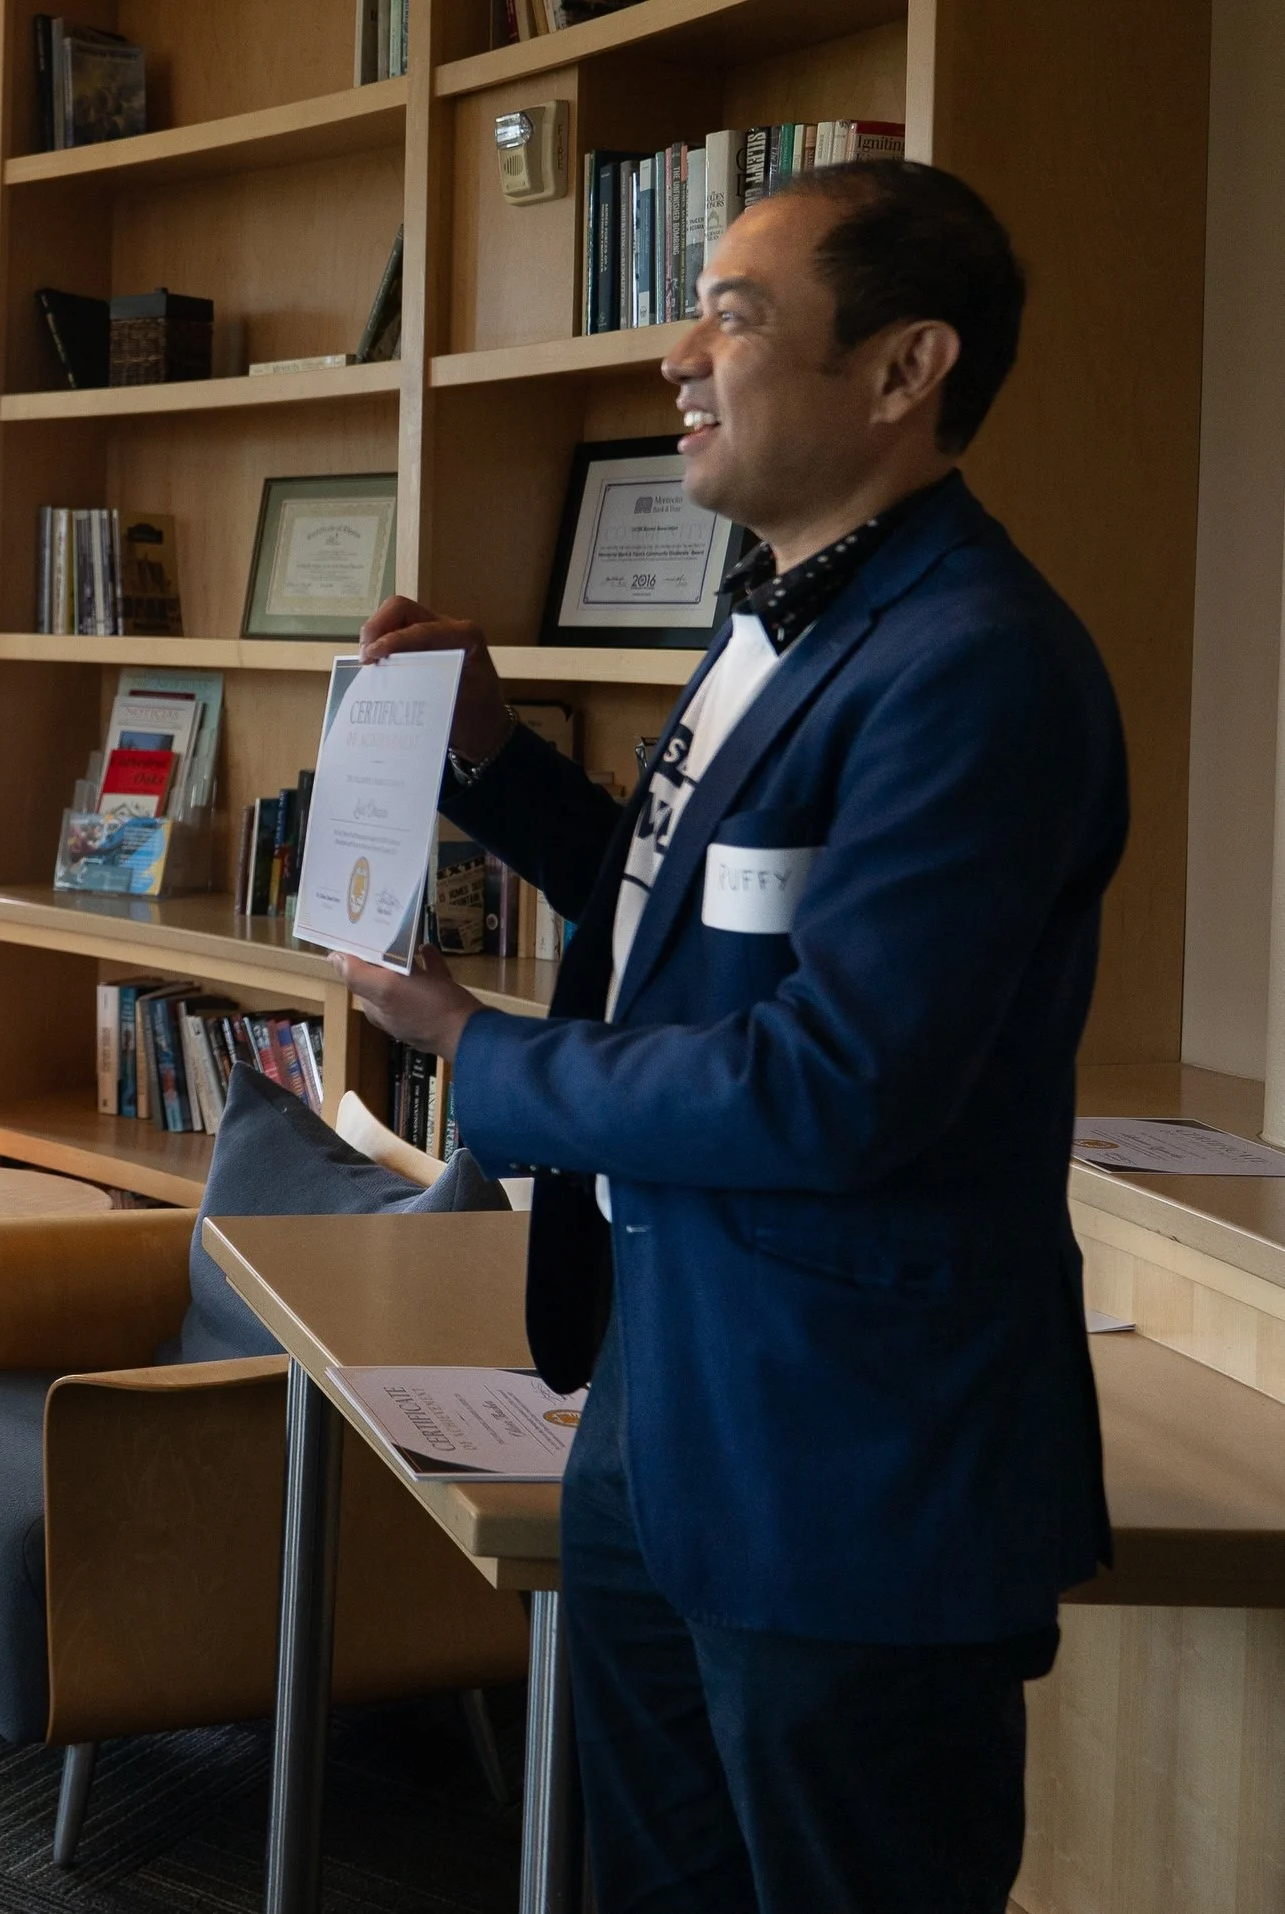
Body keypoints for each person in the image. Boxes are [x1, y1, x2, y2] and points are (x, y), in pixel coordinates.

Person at [337, 161, 1125, 1912]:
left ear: (907, 368)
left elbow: (835, 1080)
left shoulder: (980, 666)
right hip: (664, 1405)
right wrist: (489, 759)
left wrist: (482, 1053)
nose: (680, 354)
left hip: (853, 1461)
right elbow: (680, 899)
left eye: (739, 316)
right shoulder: (776, 610)